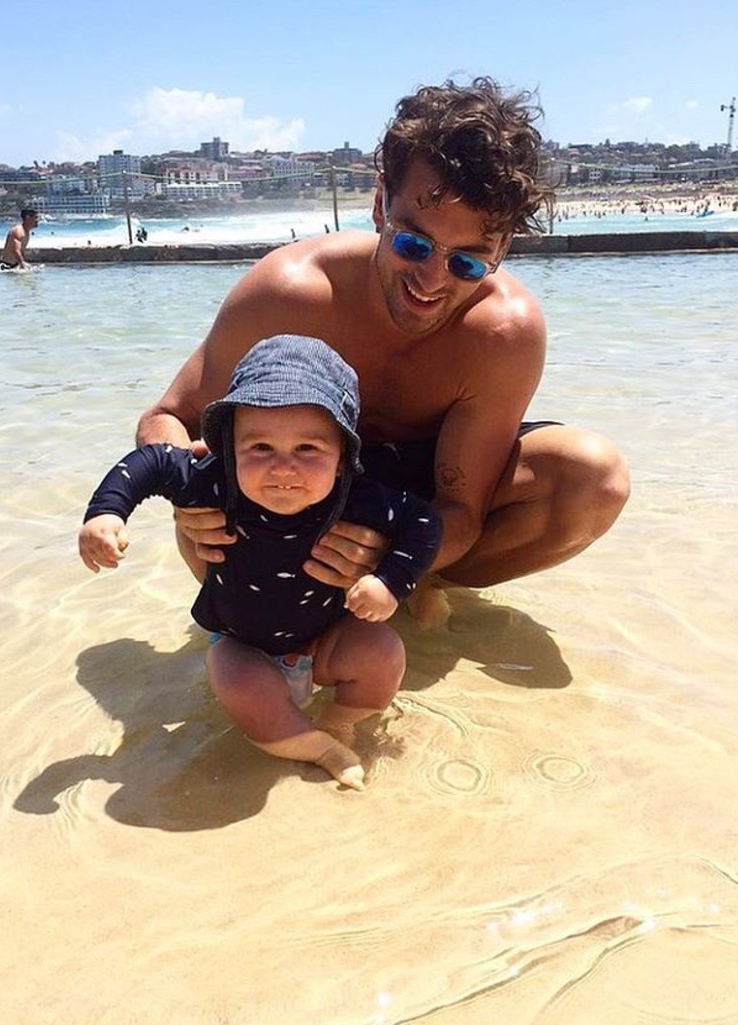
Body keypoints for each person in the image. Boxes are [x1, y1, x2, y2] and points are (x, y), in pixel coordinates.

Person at [137, 76, 630, 598]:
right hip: (294, 484)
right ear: (379, 204)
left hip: (413, 508)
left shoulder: (504, 332)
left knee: (592, 480)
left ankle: (417, 591)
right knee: (209, 490)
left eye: (467, 261)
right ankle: (263, 630)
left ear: (502, 248)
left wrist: (396, 561)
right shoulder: (289, 294)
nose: (432, 281)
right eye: (414, 244)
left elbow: (461, 510)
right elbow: (167, 418)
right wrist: (190, 496)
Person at [79, 335, 442, 790]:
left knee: (384, 653)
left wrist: (393, 581)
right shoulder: (213, 480)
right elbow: (148, 462)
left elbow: (423, 521)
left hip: (325, 639)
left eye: (308, 449)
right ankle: (316, 747)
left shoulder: (359, 497)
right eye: (261, 448)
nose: (283, 467)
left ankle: (339, 721)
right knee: (237, 681)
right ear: (230, 447)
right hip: (243, 645)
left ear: (344, 458)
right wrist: (106, 513)